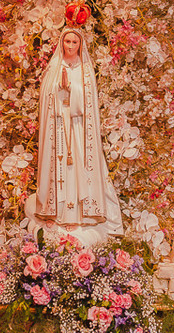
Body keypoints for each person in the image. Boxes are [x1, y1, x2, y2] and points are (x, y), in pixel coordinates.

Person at [24, 24, 124, 247]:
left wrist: (71, 89)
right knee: (57, 170)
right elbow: (46, 97)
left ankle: (77, 216)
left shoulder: (85, 70)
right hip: (57, 128)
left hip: (78, 129)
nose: (70, 46)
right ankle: (55, 214)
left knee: (76, 170)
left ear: (80, 44)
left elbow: (88, 101)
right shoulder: (54, 67)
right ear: (62, 43)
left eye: (74, 42)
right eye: (67, 41)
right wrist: (57, 89)